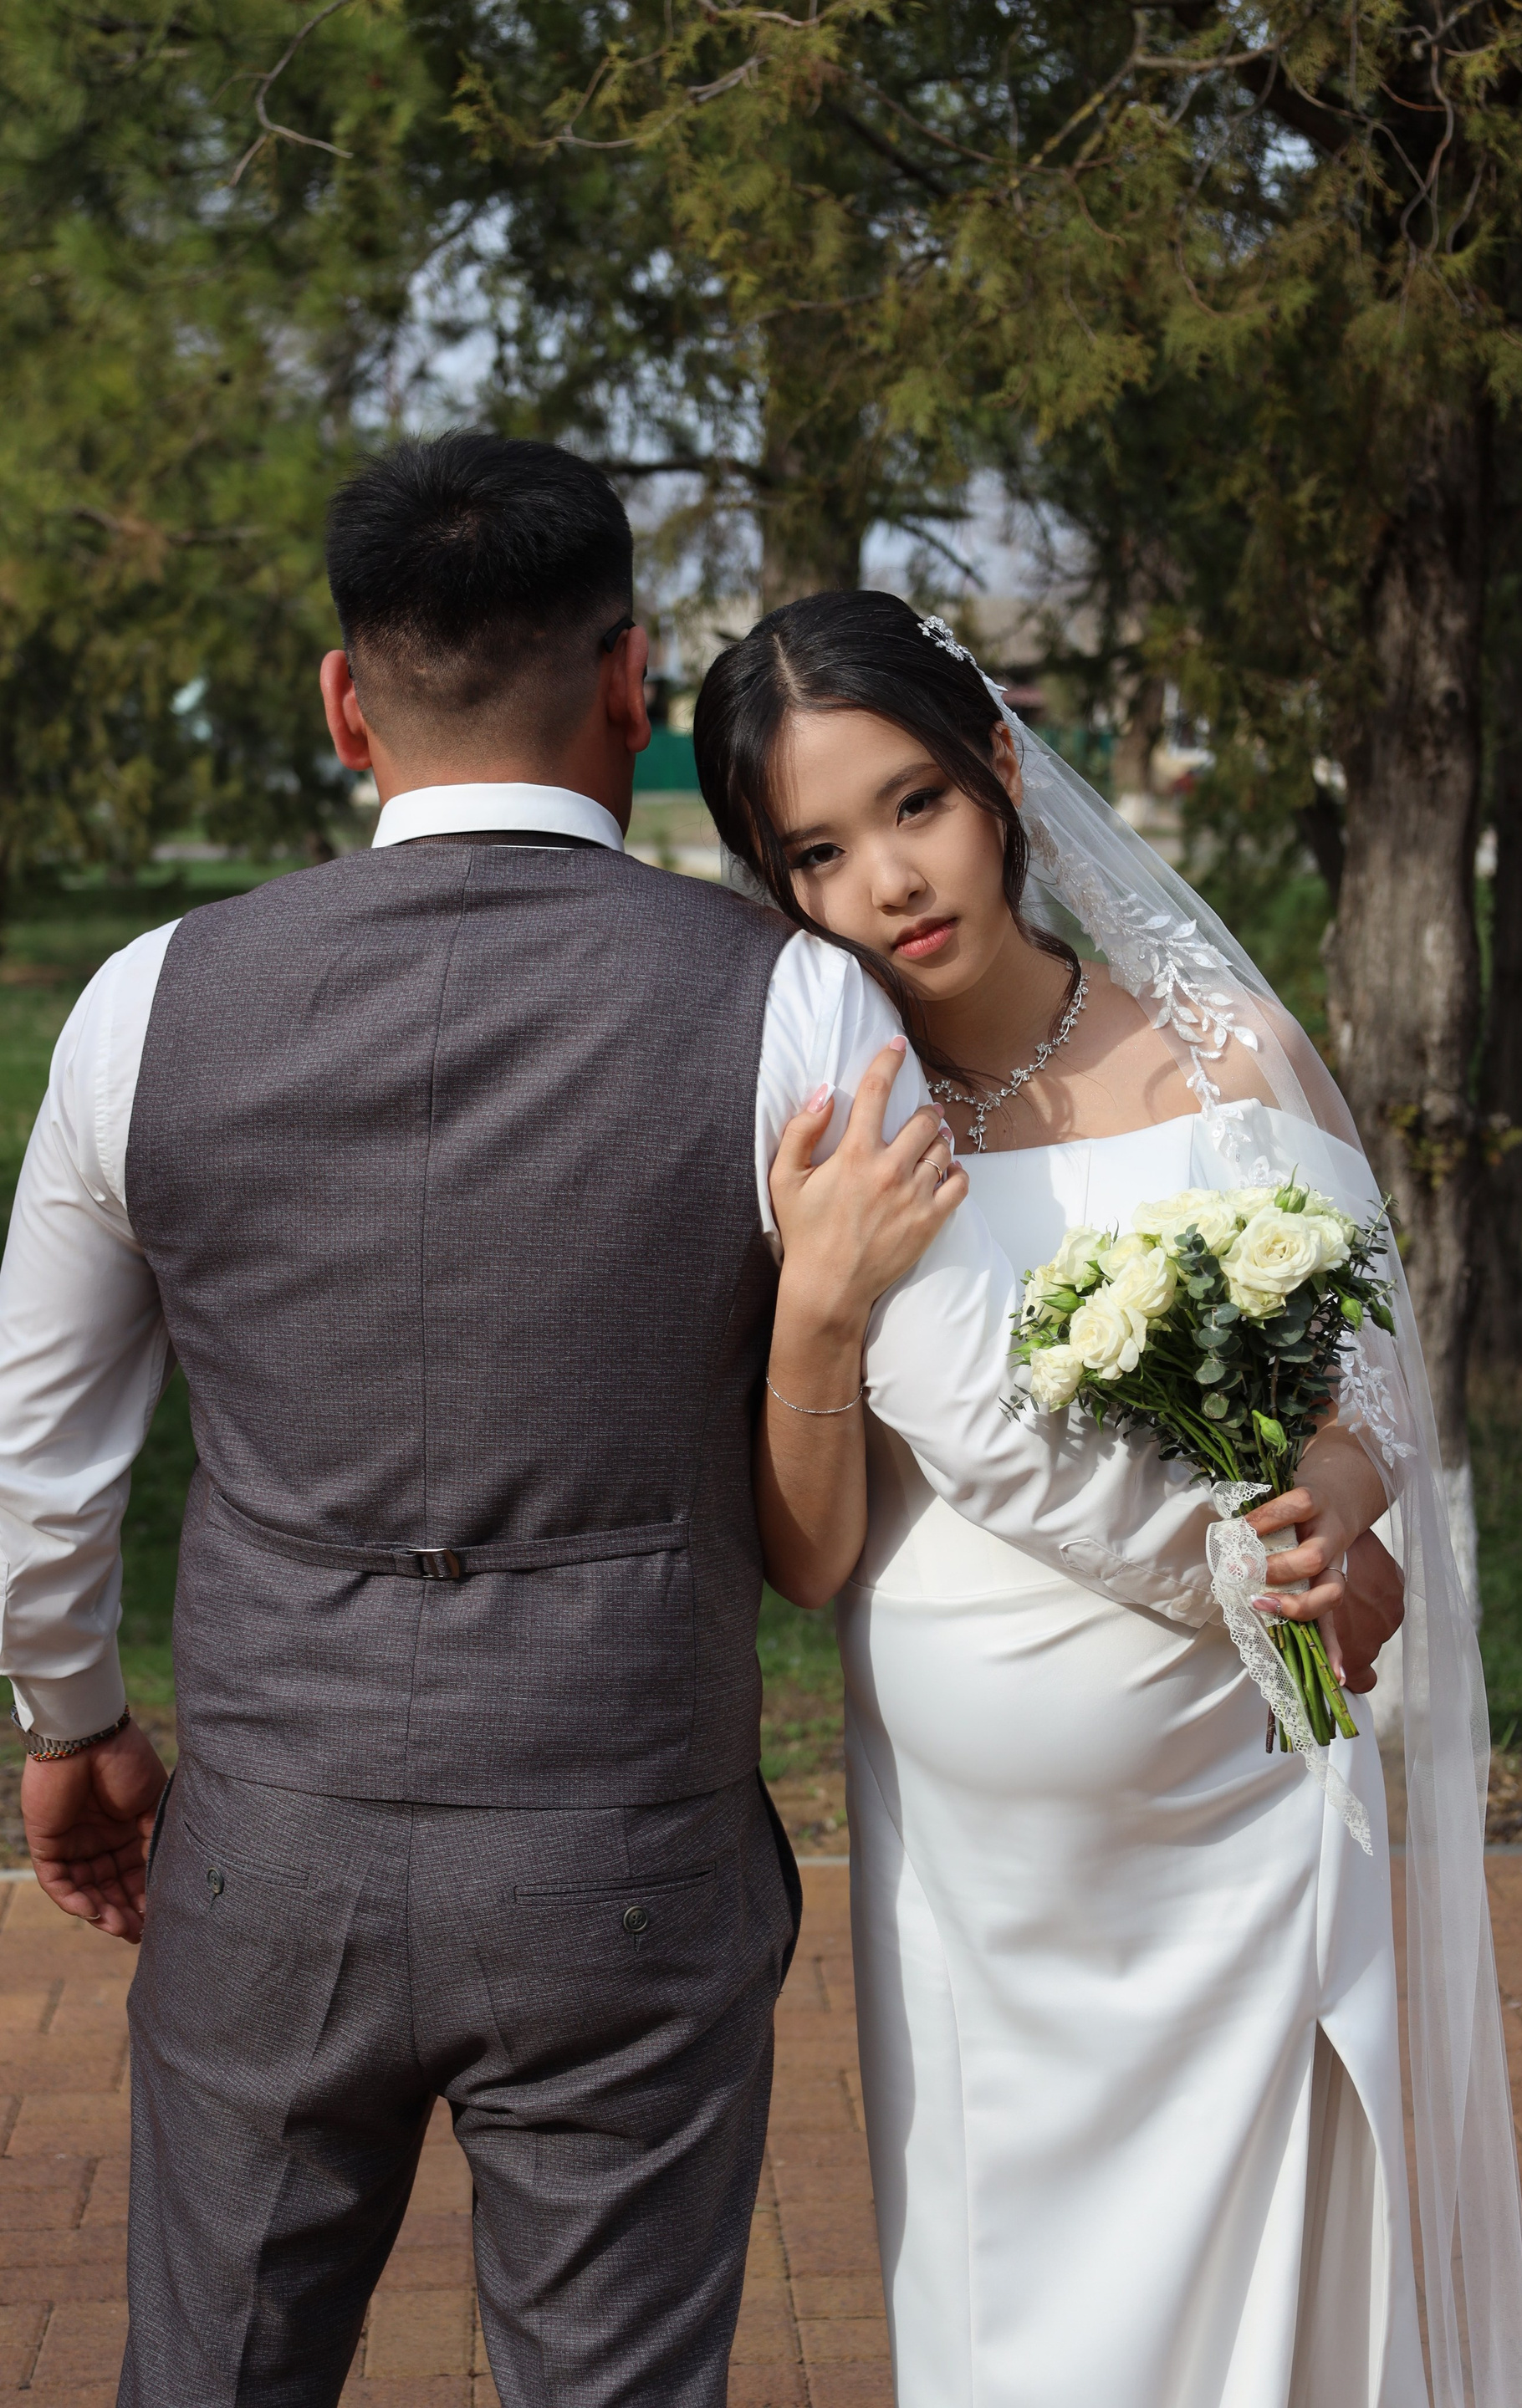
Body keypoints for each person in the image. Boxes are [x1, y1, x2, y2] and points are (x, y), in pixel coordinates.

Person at [0, 434, 1381, 2407]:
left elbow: (39, 1456)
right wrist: (1262, 1556)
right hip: (626, 1858)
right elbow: (975, 1413)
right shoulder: (791, 1005)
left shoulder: (145, 1005)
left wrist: (73, 1725)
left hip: (266, 1853)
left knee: (213, 2372)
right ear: (630, 680)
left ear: (342, 703)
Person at [693, 589, 1522, 2408]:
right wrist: (821, 1303)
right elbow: (811, 1553)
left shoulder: (1222, 1055)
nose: (889, 882)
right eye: (820, 852)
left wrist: (1330, 1504)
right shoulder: (836, 1126)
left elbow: (1371, 1386)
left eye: (916, 804)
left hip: (1241, 1797)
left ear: (1001, 773)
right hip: (985, 1881)